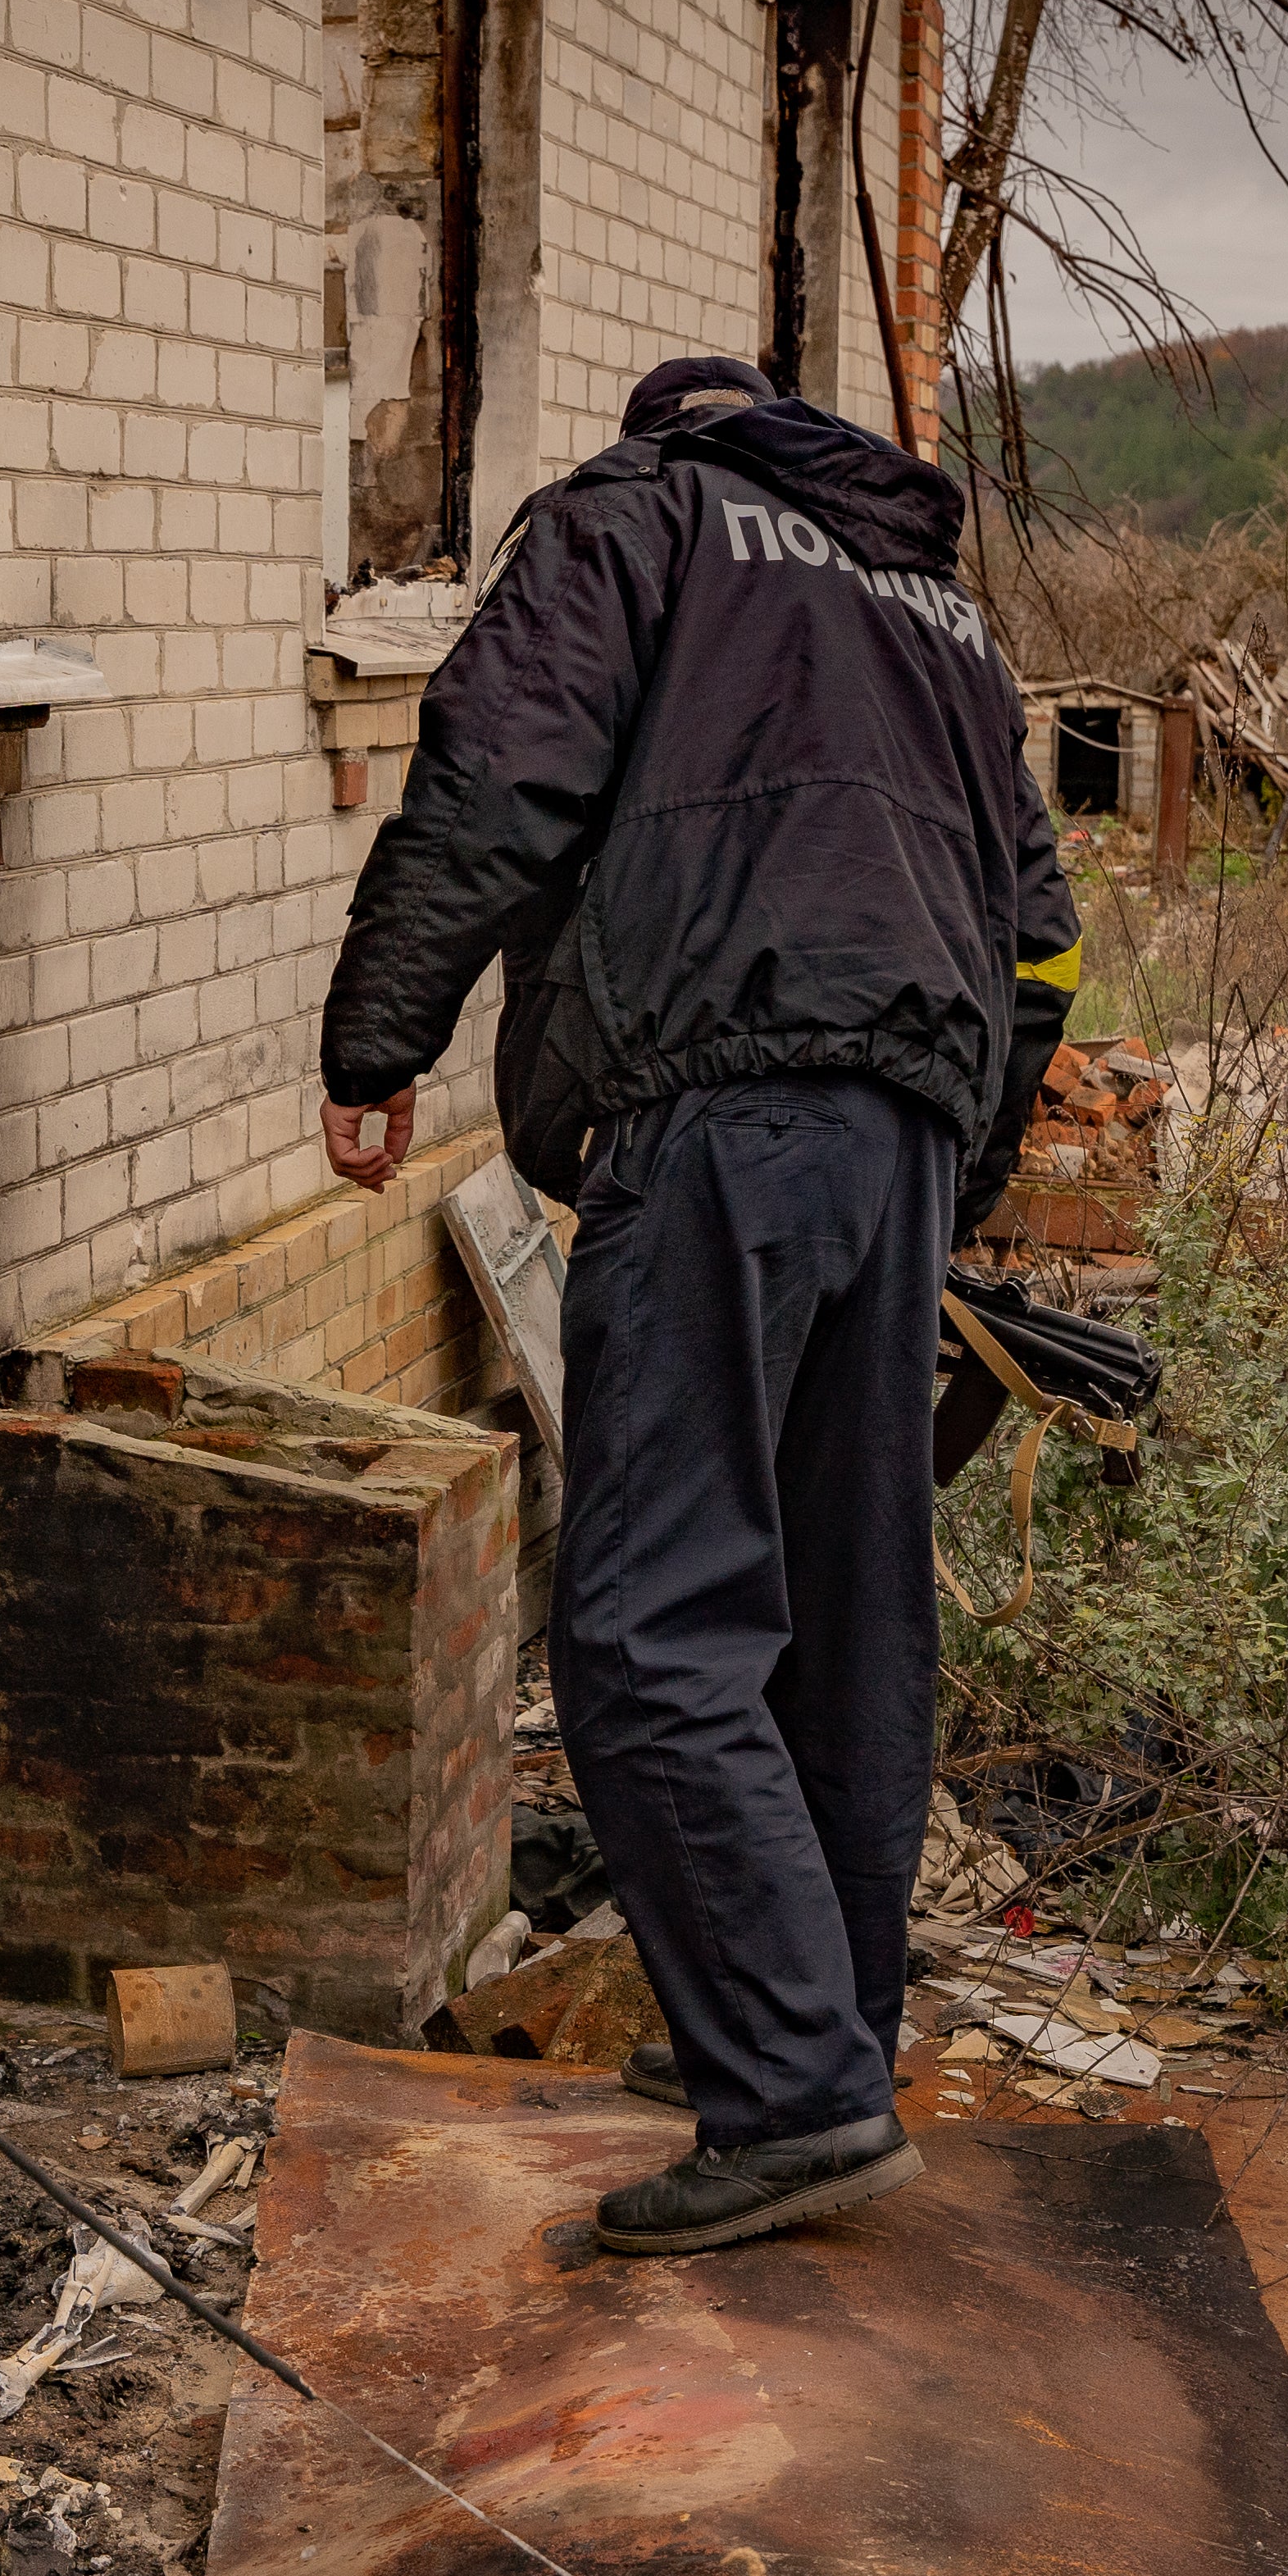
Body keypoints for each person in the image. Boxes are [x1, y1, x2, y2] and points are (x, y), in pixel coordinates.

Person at [313, 354, 1078, 2256]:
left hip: (719, 1104)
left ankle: (801, 2096)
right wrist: (941, 1168)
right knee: (839, 1612)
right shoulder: (941, 619)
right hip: (899, 1132)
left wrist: (377, 1035)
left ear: (674, 426)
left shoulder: (634, 520)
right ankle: (816, 2033)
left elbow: (497, 772)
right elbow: (1043, 936)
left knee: (650, 1619)